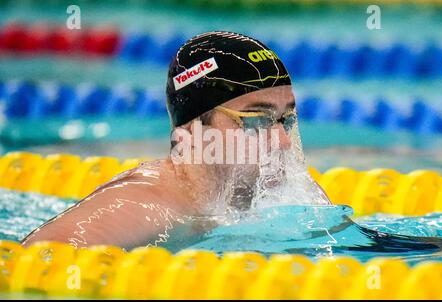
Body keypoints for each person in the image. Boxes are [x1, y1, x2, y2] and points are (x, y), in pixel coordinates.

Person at [22, 31, 330, 250]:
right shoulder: (148, 204)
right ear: (193, 129)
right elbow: (38, 261)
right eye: (256, 120)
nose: (282, 142)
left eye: (284, 119)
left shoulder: (288, 193)